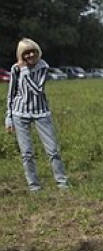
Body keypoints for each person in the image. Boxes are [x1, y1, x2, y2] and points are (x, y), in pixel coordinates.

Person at [4, 38, 69, 192]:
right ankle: (34, 187)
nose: (31, 55)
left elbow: (38, 89)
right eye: (26, 53)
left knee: (53, 150)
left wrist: (25, 71)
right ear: (21, 54)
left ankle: (62, 183)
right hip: (20, 113)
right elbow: (11, 93)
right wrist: (9, 116)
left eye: (33, 51)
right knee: (27, 153)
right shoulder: (15, 69)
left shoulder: (43, 66)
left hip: (41, 112)